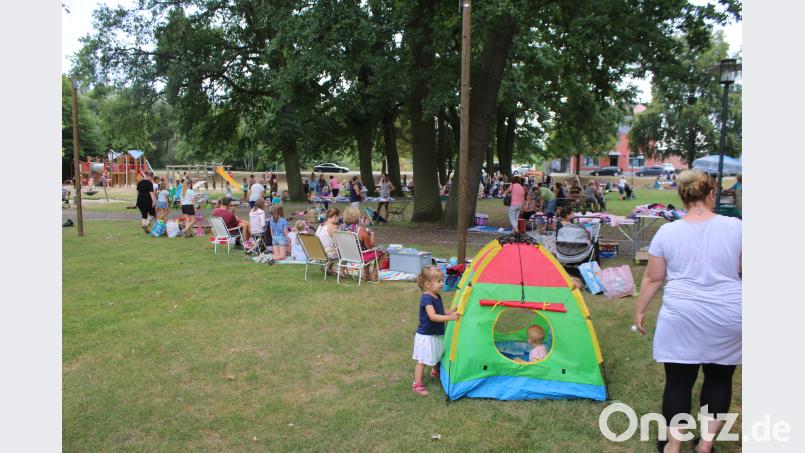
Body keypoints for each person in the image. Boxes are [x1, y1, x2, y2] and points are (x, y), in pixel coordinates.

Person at [633, 170, 742, 453]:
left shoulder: (667, 231)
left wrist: (640, 310)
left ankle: (673, 446)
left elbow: (653, 278)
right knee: (720, 379)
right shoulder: (737, 227)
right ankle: (705, 446)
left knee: (679, 383)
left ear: (682, 197)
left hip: (683, 315)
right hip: (729, 315)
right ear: (710, 195)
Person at [411, 266, 460, 396]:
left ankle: (435, 371)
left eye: (442, 280)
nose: (442, 284)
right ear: (427, 284)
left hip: (436, 333)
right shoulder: (427, 298)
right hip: (426, 336)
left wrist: (451, 311)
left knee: (438, 353)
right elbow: (433, 316)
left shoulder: (437, 296)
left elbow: (441, 312)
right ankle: (417, 384)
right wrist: (450, 318)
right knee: (422, 360)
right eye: (439, 281)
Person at [343, 206, 380, 281]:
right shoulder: (361, 230)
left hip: (345, 254)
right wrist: (372, 234)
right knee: (380, 249)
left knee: (364, 248)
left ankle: (366, 273)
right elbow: (370, 246)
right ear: (357, 216)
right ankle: (373, 274)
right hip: (360, 256)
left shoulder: (341, 228)